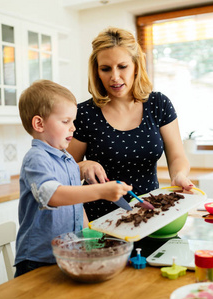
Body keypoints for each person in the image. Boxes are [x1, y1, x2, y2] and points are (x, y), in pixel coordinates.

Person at [67, 27, 193, 221]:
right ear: (96, 71)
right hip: (99, 221)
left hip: (151, 215)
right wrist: (82, 166)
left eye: (122, 66)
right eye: (106, 68)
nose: (114, 77)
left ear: (136, 66)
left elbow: (177, 157)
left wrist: (179, 176)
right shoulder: (84, 113)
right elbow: (63, 170)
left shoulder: (158, 104)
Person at [14, 79, 131, 277]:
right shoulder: (36, 158)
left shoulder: (67, 159)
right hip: (38, 260)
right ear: (39, 123)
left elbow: (76, 205)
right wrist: (101, 191)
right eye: (66, 121)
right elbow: (52, 195)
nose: (73, 128)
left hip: (68, 254)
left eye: (73, 122)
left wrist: (90, 237)